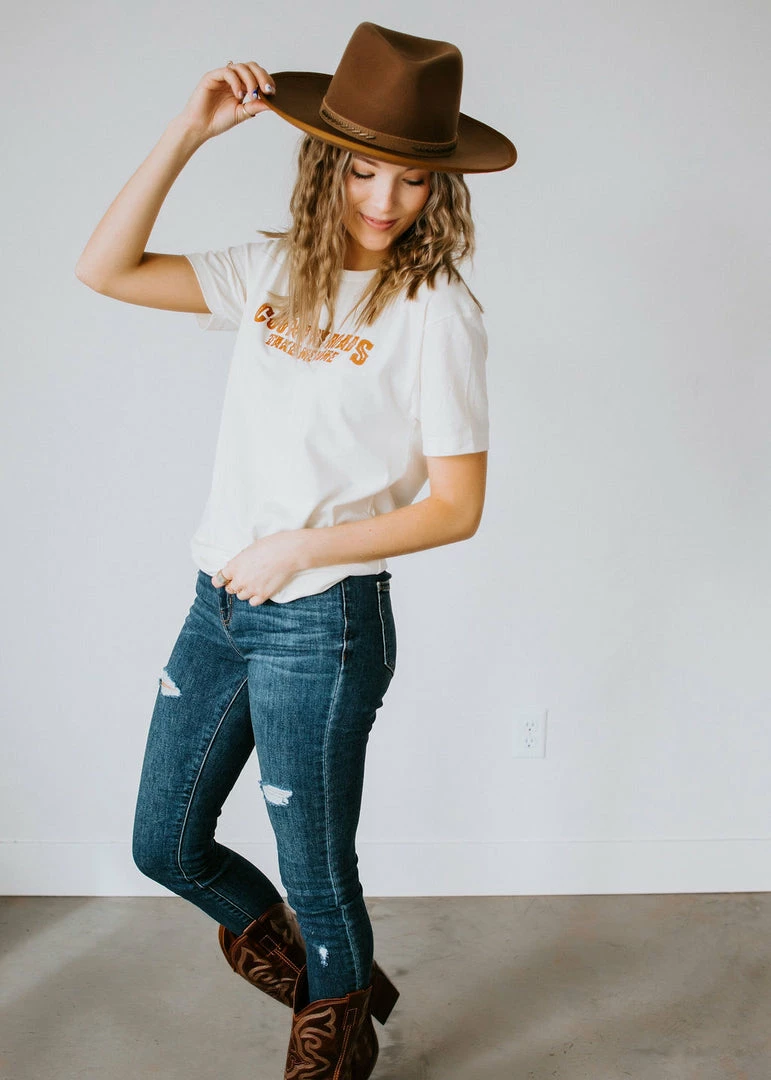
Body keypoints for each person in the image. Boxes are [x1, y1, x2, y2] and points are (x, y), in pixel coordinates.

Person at [75, 20, 516, 1080]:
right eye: (364, 168)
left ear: (441, 188)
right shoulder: (269, 272)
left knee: (316, 874)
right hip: (218, 604)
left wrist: (298, 549)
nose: (384, 198)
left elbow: (456, 507)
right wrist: (188, 132)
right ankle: (342, 986)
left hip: (324, 624)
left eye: (412, 178)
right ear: (328, 163)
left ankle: (334, 1035)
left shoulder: (437, 311)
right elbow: (105, 268)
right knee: (164, 844)